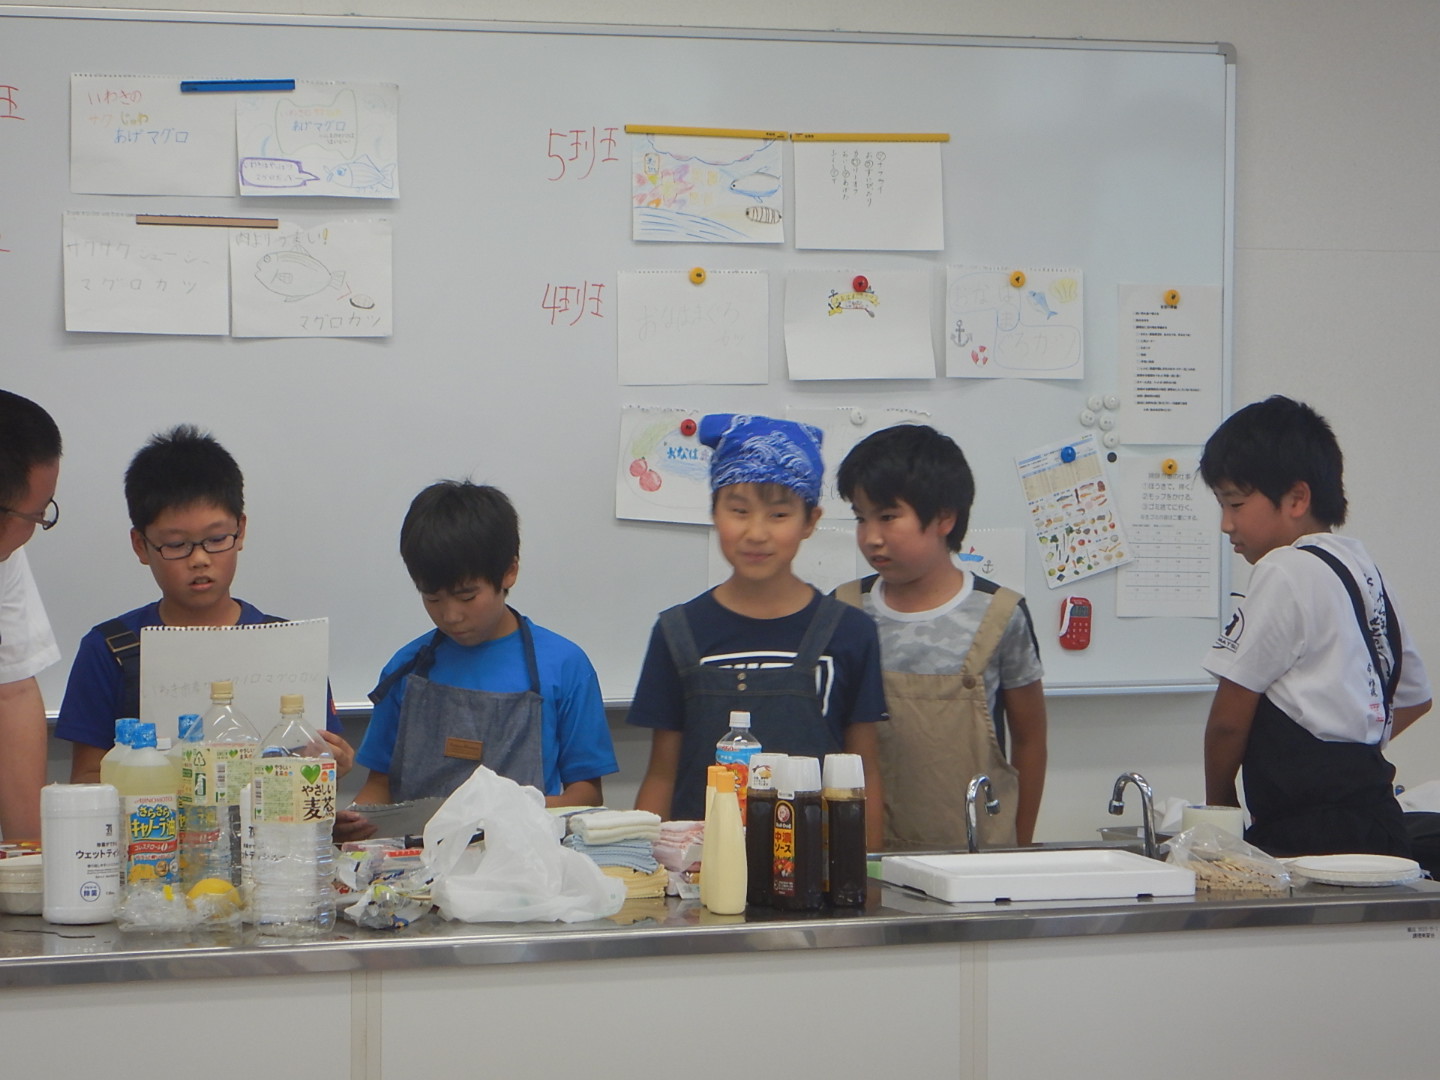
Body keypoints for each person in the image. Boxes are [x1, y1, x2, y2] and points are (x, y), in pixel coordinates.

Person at [629, 414, 886, 849]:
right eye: (739, 511)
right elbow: (661, 775)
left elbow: (865, 774)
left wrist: (867, 870)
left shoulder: (850, 632)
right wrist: (641, 864)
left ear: (810, 521)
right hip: (700, 872)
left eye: (779, 514)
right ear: (714, 512)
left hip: (816, 870)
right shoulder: (677, 632)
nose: (756, 532)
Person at [55, 425, 354, 782]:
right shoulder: (109, 649)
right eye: (176, 544)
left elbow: (317, 757)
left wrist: (336, 762)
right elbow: (88, 776)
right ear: (140, 545)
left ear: (241, 531)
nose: (199, 559)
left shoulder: (289, 645)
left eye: (216, 539)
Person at [1200, 395, 1432, 857]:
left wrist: (1220, 806)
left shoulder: (1284, 569)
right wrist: (1354, 750)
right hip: (1380, 823)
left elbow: (1228, 720)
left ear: (1296, 498)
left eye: (1236, 503)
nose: (1226, 524)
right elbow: (1415, 698)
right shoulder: (1364, 570)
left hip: (1307, 834)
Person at [835, 423, 1047, 849]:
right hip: (866, 857)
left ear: (944, 518)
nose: (871, 537)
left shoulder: (1000, 615)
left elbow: (1030, 741)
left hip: (976, 856)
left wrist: (1019, 847)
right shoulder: (844, 612)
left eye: (888, 517)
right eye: (861, 518)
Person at [354, 481, 617, 815]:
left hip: (525, 844)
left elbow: (587, 794)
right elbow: (379, 784)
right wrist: (355, 820)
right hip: (421, 847)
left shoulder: (564, 665)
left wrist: (502, 811)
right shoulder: (407, 668)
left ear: (509, 572)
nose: (450, 615)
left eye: (467, 596)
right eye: (432, 598)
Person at [0, 390, 62, 841]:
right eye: (36, 516)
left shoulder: (5, 556)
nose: (35, 529)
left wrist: (32, 856)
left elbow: (12, 689)